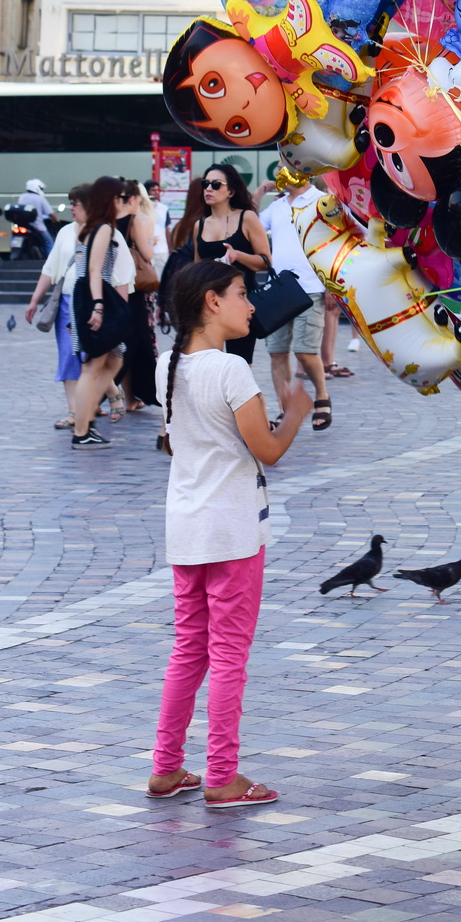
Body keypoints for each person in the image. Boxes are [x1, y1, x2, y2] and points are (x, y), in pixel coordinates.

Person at [147, 259, 311, 808]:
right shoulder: (231, 371)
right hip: (233, 529)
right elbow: (267, 450)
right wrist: (295, 411)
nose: (251, 305)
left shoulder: (168, 363)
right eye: (242, 294)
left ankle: (166, 768)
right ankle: (222, 775)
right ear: (212, 302)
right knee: (228, 655)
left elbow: (175, 442)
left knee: (189, 651)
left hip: (187, 526)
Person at [260, 171, 331, 431]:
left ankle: (322, 395)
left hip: (311, 286)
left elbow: (336, 242)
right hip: (279, 288)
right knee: (276, 352)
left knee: (305, 350)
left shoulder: (321, 201)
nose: (281, 171)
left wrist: (331, 286)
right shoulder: (277, 206)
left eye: (285, 165)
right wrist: (258, 193)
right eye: (278, 167)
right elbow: (251, 225)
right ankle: (284, 410)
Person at [179, 166, 272, 365]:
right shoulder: (200, 225)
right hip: (208, 305)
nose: (208, 189)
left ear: (231, 191)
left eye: (215, 184)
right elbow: (197, 267)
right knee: (208, 363)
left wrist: (238, 255)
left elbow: (266, 261)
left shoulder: (246, 218)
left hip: (238, 303)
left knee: (239, 365)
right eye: (205, 184)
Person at [71, 175, 137, 446]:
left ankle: (85, 423)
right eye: (119, 197)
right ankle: (81, 430)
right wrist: (98, 305)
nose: (123, 202)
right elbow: (94, 269)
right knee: (94, 365)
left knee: (112, 360)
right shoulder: (103, 228)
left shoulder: (95, 226)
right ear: (110, 199)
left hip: (92, 294)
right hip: (95, 295)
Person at [25, 187, 89, 428]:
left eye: (77, 203)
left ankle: (105, 398)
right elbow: (50, 270)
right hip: (66, 302)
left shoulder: (104, 233)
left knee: (93, 357)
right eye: (71, 202)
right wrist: (34, 300)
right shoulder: (64, 232)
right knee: (68, 355)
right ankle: (74, 411)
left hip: (93, 304)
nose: (71, 207)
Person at [116, 179, 159, 413]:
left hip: (116, 287)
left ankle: (128, 397)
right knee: (140, 342)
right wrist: (152, 242)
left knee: (125, 345)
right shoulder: (138, 220)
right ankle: (132, 394)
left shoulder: (107, 221)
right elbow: (147, 253)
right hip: (137, 289)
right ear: (134, 199)